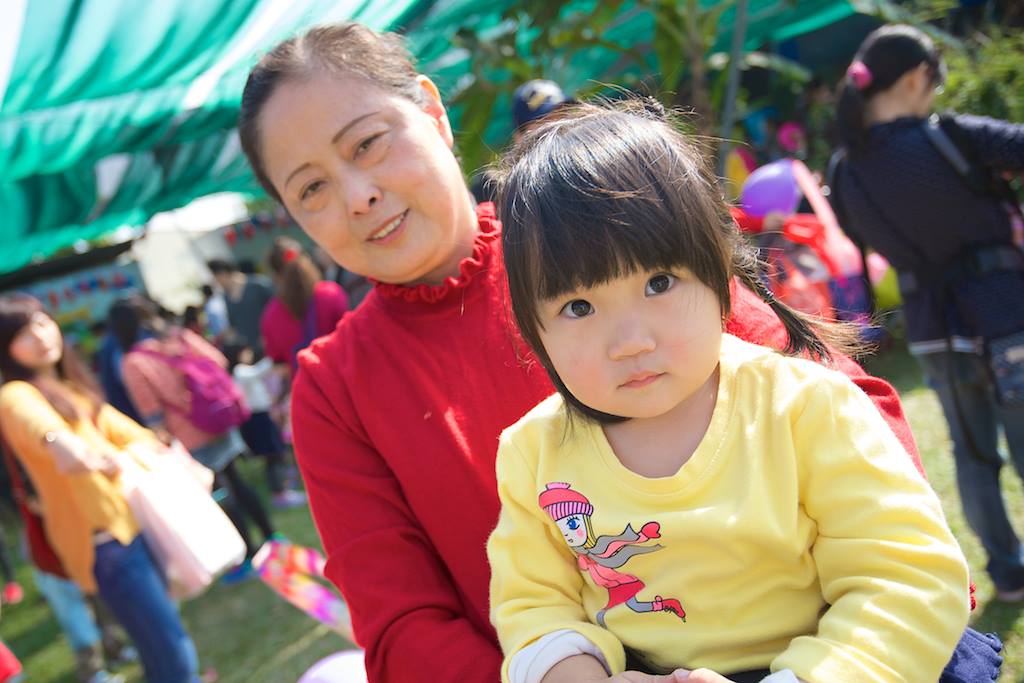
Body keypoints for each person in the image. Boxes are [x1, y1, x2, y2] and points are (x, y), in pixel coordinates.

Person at [238, 22, 947, 682]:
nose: (358, 194)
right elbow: (402, 628)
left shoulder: (596, 233)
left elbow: (847, 417)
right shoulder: (335, 387)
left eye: (367, 143)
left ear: (432, 112)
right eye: (312, 188)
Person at [486, 99, 971, 683]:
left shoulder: (805, 407)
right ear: (532, 327)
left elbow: (907, 577)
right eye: (578, 307)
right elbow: (534, 607)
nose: (630, 342)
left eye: (658, 283)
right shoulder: (534, 453)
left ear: (720, 272)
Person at [830, 24, 1024, 601]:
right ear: (917, 78)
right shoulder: (950, 138)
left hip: (934, 332)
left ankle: (1008, 574)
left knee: (973, 455)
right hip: (1004, 314)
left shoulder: (845, 171)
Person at [0, 294, 200, 683]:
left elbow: (138, 437)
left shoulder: (72, 389)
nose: (39, 336)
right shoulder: (15, 395)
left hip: (132, 524)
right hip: (104, 543)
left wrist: (115, 455)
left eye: (41, 322)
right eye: (22, 333)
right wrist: (61, 443)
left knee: (161, 646)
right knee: (172, 650)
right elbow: (38, 425)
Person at [118, 297, 277, 580]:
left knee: (220, 492)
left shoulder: (134, 361)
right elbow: (218, 361)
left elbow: (151, 410)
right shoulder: (180, 337)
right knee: (237, 481)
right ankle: (272, 538)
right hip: (219, 419)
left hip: (188, 435)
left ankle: (247, 556)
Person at [222, 335, 305, 509]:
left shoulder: (238, 373)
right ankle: (279, 493)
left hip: (260, 417)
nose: (249, 353)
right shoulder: (240, 371)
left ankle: (282, 489)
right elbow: (259, 371)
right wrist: (275, 353)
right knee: (273, 454)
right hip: (257, 419)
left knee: (274, 454)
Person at [260, 237, 349, 371]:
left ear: (275, 274)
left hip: (308, 381)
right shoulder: (331, 293)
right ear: (306, 262)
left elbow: (279, 364)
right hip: (346, 372)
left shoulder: (270, 316)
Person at [207, 258, 275, 356]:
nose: (215, 282)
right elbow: (235, 324)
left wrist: (268, 334)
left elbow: (278, 308)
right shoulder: (226, 297)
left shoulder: (258, 284)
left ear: (222, 274)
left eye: (215, 278)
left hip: (275, 341)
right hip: (256, 351)